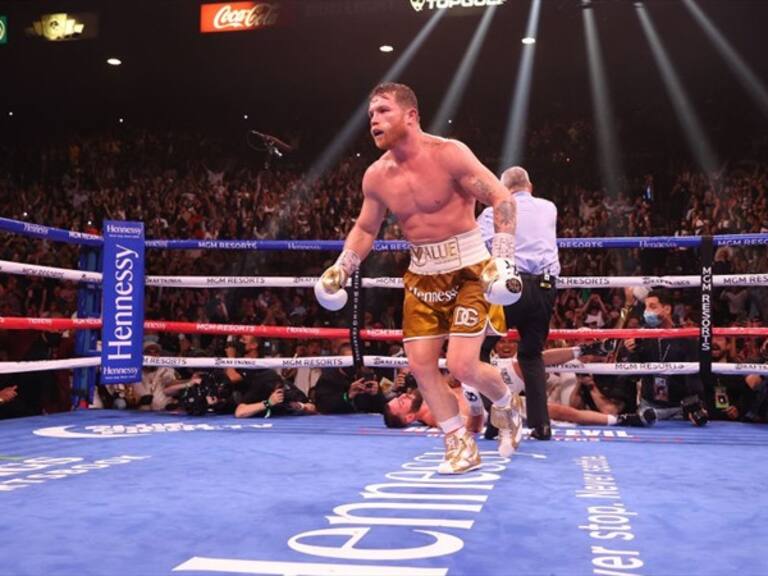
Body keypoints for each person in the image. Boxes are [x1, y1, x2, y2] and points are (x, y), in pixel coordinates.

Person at [314, 82, 524, 474]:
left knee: (462, 365)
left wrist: (504, 259)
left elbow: (502, 198)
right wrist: (342, 267)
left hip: (470, 269)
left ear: (410, 115)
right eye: (371, 114)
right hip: (422, 274)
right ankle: (458, 444)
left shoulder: (449, 154)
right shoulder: (376, 176)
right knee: (421, 364)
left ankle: (507, 404)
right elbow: (365, 228)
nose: (373, 119)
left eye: (382, 111)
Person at [477, 167, 560, 440]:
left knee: (478, 352)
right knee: (531, 354)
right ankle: (541, 425)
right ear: (530, 185)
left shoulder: (492, 212)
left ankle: (497, 420)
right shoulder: (549, 207)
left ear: (502, 188)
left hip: (510, 287)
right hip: (546, 287)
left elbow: (481, 249)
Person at [622, 289, 708, 425]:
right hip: (648, 406)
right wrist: (632, 352)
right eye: (646, 307)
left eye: (653, 307)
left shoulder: (686, 339)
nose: (647, 312)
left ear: (667, 309)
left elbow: (693, 377)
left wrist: (696, 406)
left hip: (679, 408)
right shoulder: (642, 337)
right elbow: (633, 376)